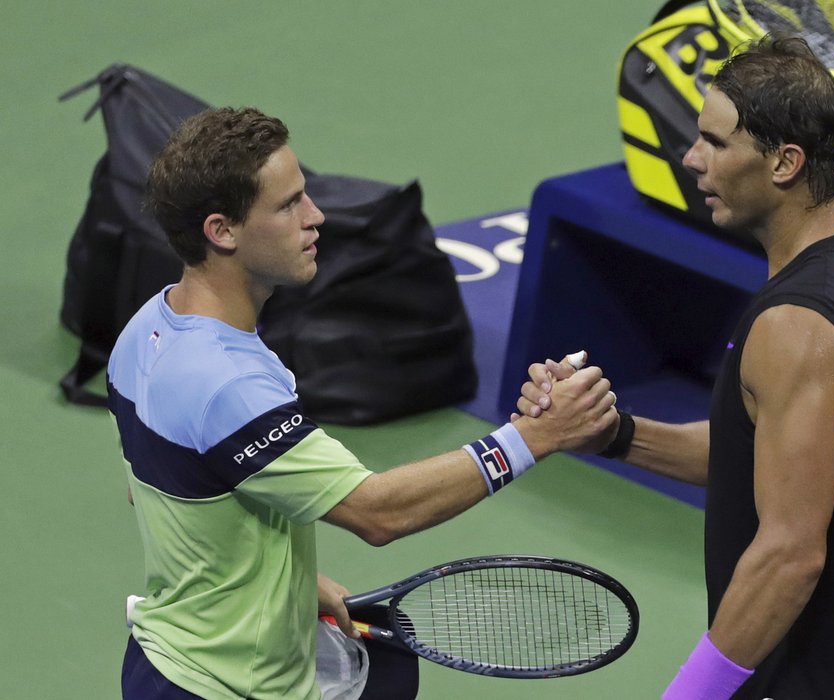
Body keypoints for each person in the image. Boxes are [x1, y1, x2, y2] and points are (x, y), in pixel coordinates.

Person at [110, 106, 618, 700]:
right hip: (227, 687)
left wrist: (288, 584)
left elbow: (156, 487)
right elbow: (378, 513)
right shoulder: (228, 386)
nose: (316, 216)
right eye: (288, 205)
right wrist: (534, 438)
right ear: (221, 231)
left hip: (164, 658)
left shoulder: (150, 327)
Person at [516, 35, 834, 698]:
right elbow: (762, 456)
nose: (691, 157)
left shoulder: (795, 328)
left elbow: (790, 555)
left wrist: (691, 693)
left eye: (716, 142)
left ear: (785, 162)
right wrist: (612, 432)